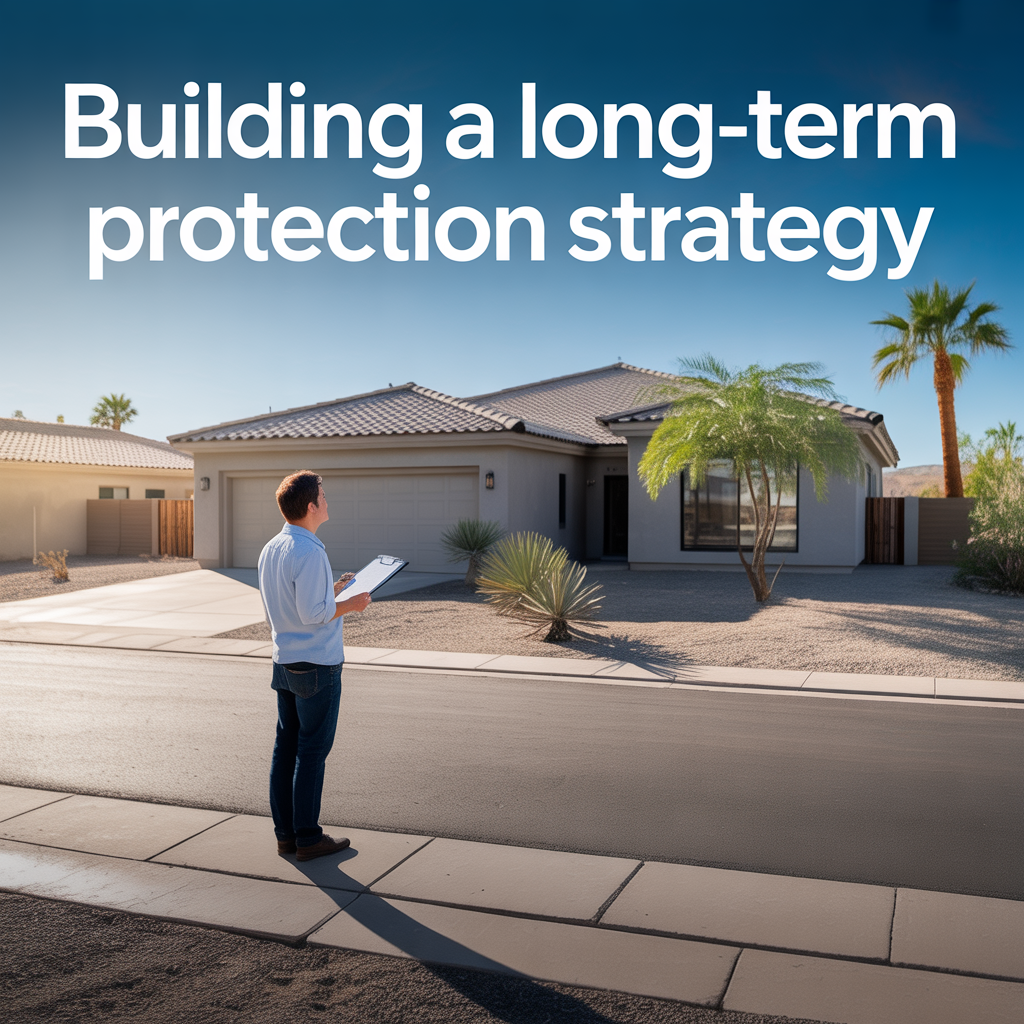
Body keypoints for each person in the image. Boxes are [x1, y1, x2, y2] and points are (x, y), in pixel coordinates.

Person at [258, 470, 371, 861]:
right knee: (311, 753)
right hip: (317, 667)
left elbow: (283, 607)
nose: (327, 500)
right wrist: (350, 604)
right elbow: (313, 613)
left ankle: (286, 836)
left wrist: (333, 589)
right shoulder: (310, 551)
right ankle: (308, 837)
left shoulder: (273, 548)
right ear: (311, 506)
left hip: (284, 662)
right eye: (323, 494)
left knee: (284, 749)